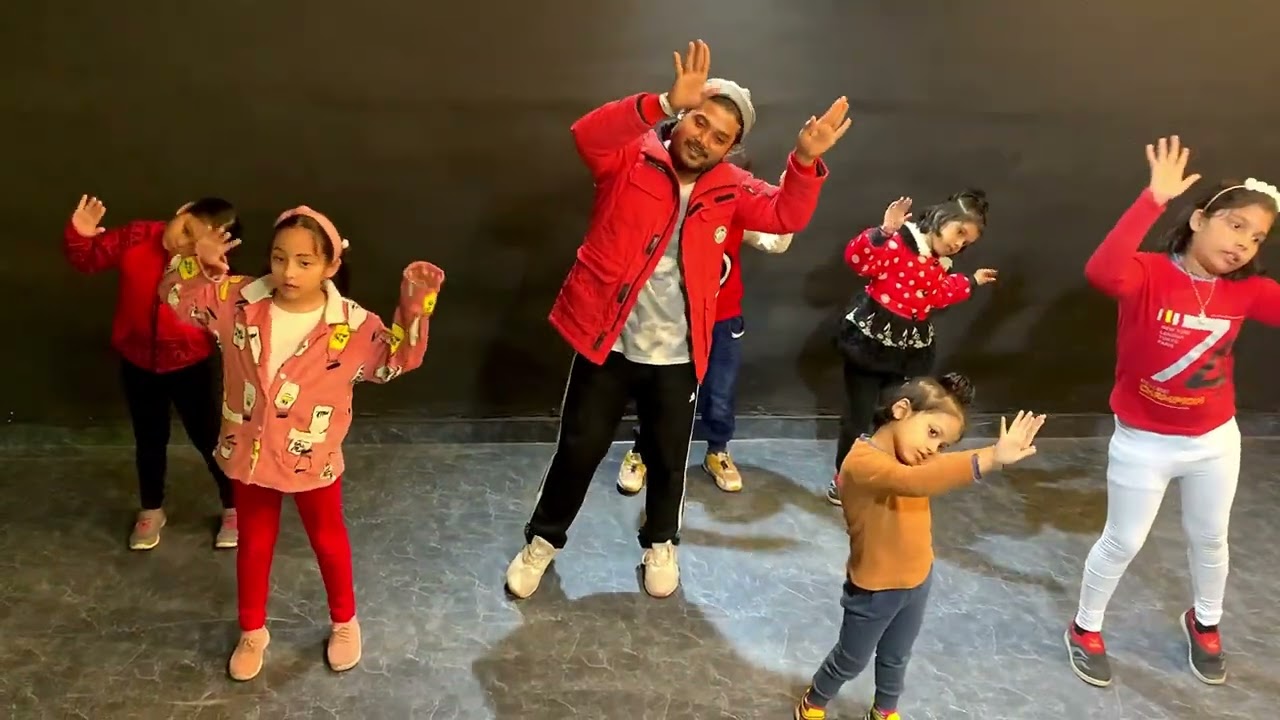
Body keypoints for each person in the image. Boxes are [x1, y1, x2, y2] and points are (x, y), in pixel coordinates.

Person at [505, 39, 850, 600]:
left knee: (668, 459)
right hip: (609, 344)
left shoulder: (731, 188)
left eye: (720, 137)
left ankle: (660, 543)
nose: (703, 139)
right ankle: (541, 543)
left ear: (731, 148)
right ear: (684, 115)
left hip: (679, 356)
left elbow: (785, 214)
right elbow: (586, 135)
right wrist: (660, 103)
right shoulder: (631, 157)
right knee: (578, 450)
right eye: (699, 121)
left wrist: (805, 162)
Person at [159, 207, 445, 681]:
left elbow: (397, 359)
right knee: (254, 543)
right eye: (279, 258)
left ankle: (345, 622)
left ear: (331, 265)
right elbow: (175, 297)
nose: (289, 272)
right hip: (250, 455)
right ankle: (252, 631)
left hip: (314, 458)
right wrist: (194, 261)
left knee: (328, 541)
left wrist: (416, 304)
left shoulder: (353, 325)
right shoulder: (237, 301)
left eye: (304, 262)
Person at [1065, 136, 1280, 688]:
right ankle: (1085, 628)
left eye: (1257, 237)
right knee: (1123, 541)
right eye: (1235, 225)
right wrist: (1152, 200)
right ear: (1199, 219)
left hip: (1214, 442)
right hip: (1143, 441)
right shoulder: (1147, 273)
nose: (1244, 243)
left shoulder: (1249, 291)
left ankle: (1205, 622)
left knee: (1210, 539)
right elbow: (1101, 273)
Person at [794, 374, 1046, 720]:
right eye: (932, 432)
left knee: (897, 655)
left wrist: (994, 456)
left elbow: (936, 468)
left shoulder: (914, 457)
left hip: (917, 579)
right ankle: (815, 701)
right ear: (901, 410)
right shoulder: (862, 462)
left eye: (942, 444)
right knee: (851, 659)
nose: (933, 449)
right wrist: (990, 458)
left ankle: (885, 710)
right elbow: (914, 482)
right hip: (875, 589)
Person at [618, 138, 795, 495]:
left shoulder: (740, 211)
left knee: (720, 392)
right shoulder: (676, 207)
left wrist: (788, 200)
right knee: (660, 392)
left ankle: (717, 451)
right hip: (674, 318)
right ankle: (643, 450)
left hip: (722, 320)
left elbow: (776, 241)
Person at [64, 195, 240, 550]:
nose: (183, 243)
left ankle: (235, 505)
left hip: (191, 364)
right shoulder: (136, 236)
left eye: (195, 242)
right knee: (149, 439)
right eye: (185, 229)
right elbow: (88, 260)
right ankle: (151, 509)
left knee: (210, 438)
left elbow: (215, 304)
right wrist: (79, 235)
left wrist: (207, 266)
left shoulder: (208, 265)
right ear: (181, 210)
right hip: (138, 361)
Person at [827, 191, 997, 506]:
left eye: (967, 242)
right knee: (858, 416)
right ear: (942, 217)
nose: (959, 244)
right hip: (871, 343)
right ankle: (846, 479)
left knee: (895, 416)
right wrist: (883, 233)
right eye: (959, 232)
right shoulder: (899, 243)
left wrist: (971, 281)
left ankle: (884, 475)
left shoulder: (940, 264)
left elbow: (940, 294)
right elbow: (858, 261)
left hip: (908, 350)